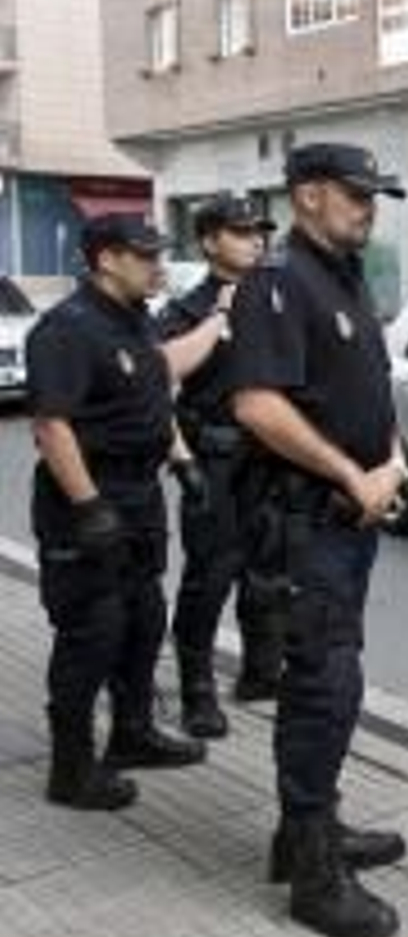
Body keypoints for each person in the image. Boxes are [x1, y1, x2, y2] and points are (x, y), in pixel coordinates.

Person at [227, 143, 408, 937]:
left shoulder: (342, 275)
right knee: (322, 686)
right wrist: (347, 471)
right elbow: (259, 407)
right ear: (306, 196)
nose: (369, 207)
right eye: (356, 194)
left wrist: (394, 456)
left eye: (375, 195)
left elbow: (365, 384)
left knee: (334, 677)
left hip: (348, 516)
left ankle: (309, 827)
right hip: (304, 520)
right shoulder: (277, 281)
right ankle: (310, 867)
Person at [26, 214, 211, 811]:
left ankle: (132, 734)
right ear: (106, 260)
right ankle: (71, 769)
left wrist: (181, 460)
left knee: (142, 620)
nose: (159, 265)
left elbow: (153, 401)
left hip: (141, 495)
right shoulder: (67, 330)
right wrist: (89, 507)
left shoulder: (136, 321)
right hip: (89, 501)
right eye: (145, 255)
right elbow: (52, 426)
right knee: (91, 633)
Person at [159, 196, 281, 739]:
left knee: (269, 576)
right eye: (240, 232)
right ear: (210, 241)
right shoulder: (186, 312)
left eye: (259, 231)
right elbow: (155, 387)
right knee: (209, 579)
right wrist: (181, 459)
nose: (255, 239)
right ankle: (197, 693)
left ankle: (261, 673)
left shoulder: (278, 300)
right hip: (215, 461)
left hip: (272, 462)